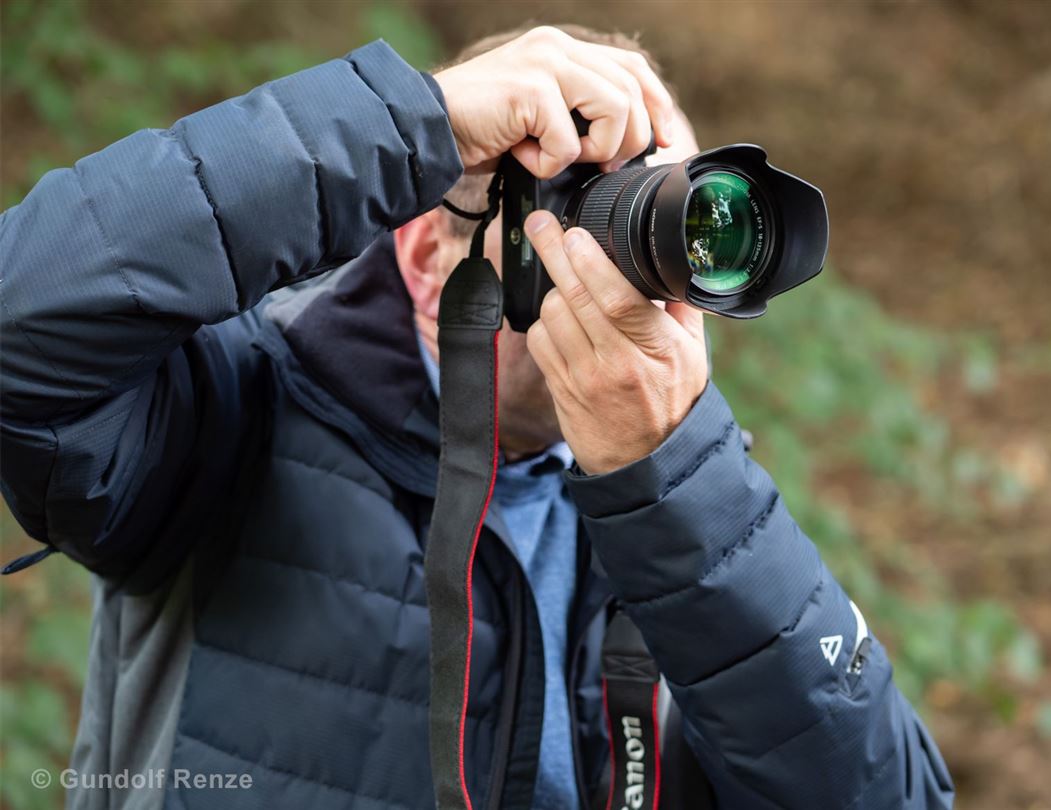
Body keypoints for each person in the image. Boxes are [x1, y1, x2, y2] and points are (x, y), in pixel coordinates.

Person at [0, 24, 954, 810]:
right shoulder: (232, 412)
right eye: (579, 196)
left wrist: (675, 485)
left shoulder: (697, 505)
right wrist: (415, 120)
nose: (641, 265)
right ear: (427, 260)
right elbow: (20, 315)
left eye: (667, 191)